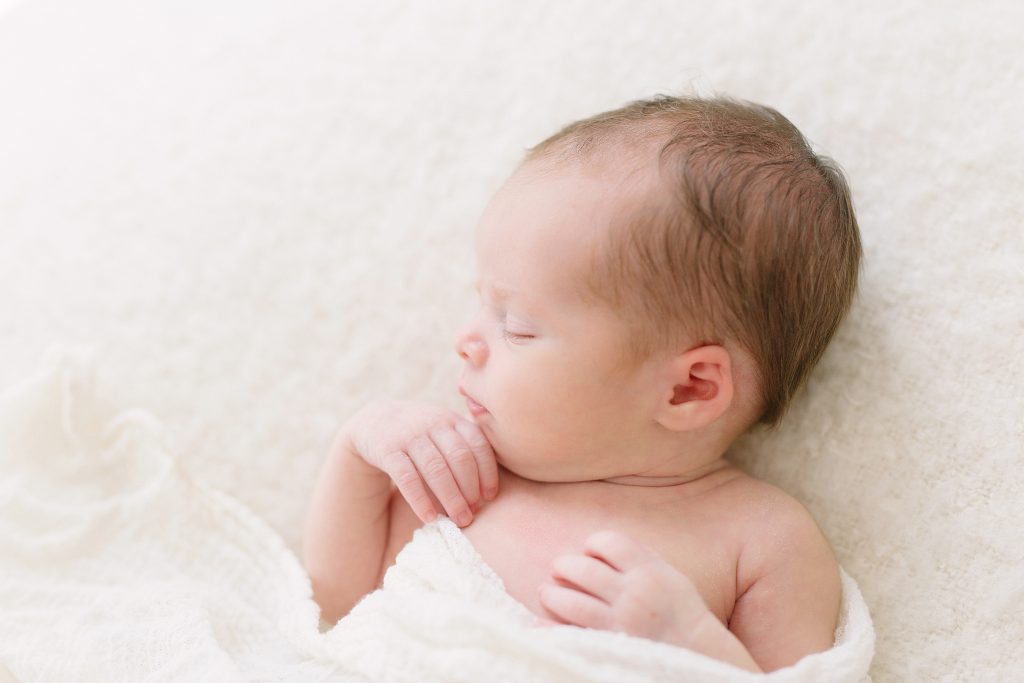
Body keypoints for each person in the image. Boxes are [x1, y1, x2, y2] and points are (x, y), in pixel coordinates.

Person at [303, 94, 862, 673]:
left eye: (517, 328)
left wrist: (693, 648)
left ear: (688, 389)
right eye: (482, 304)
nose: (467, 341)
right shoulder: (466, 473)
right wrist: (360, 450)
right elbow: (337, 605)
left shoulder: (763, 539)